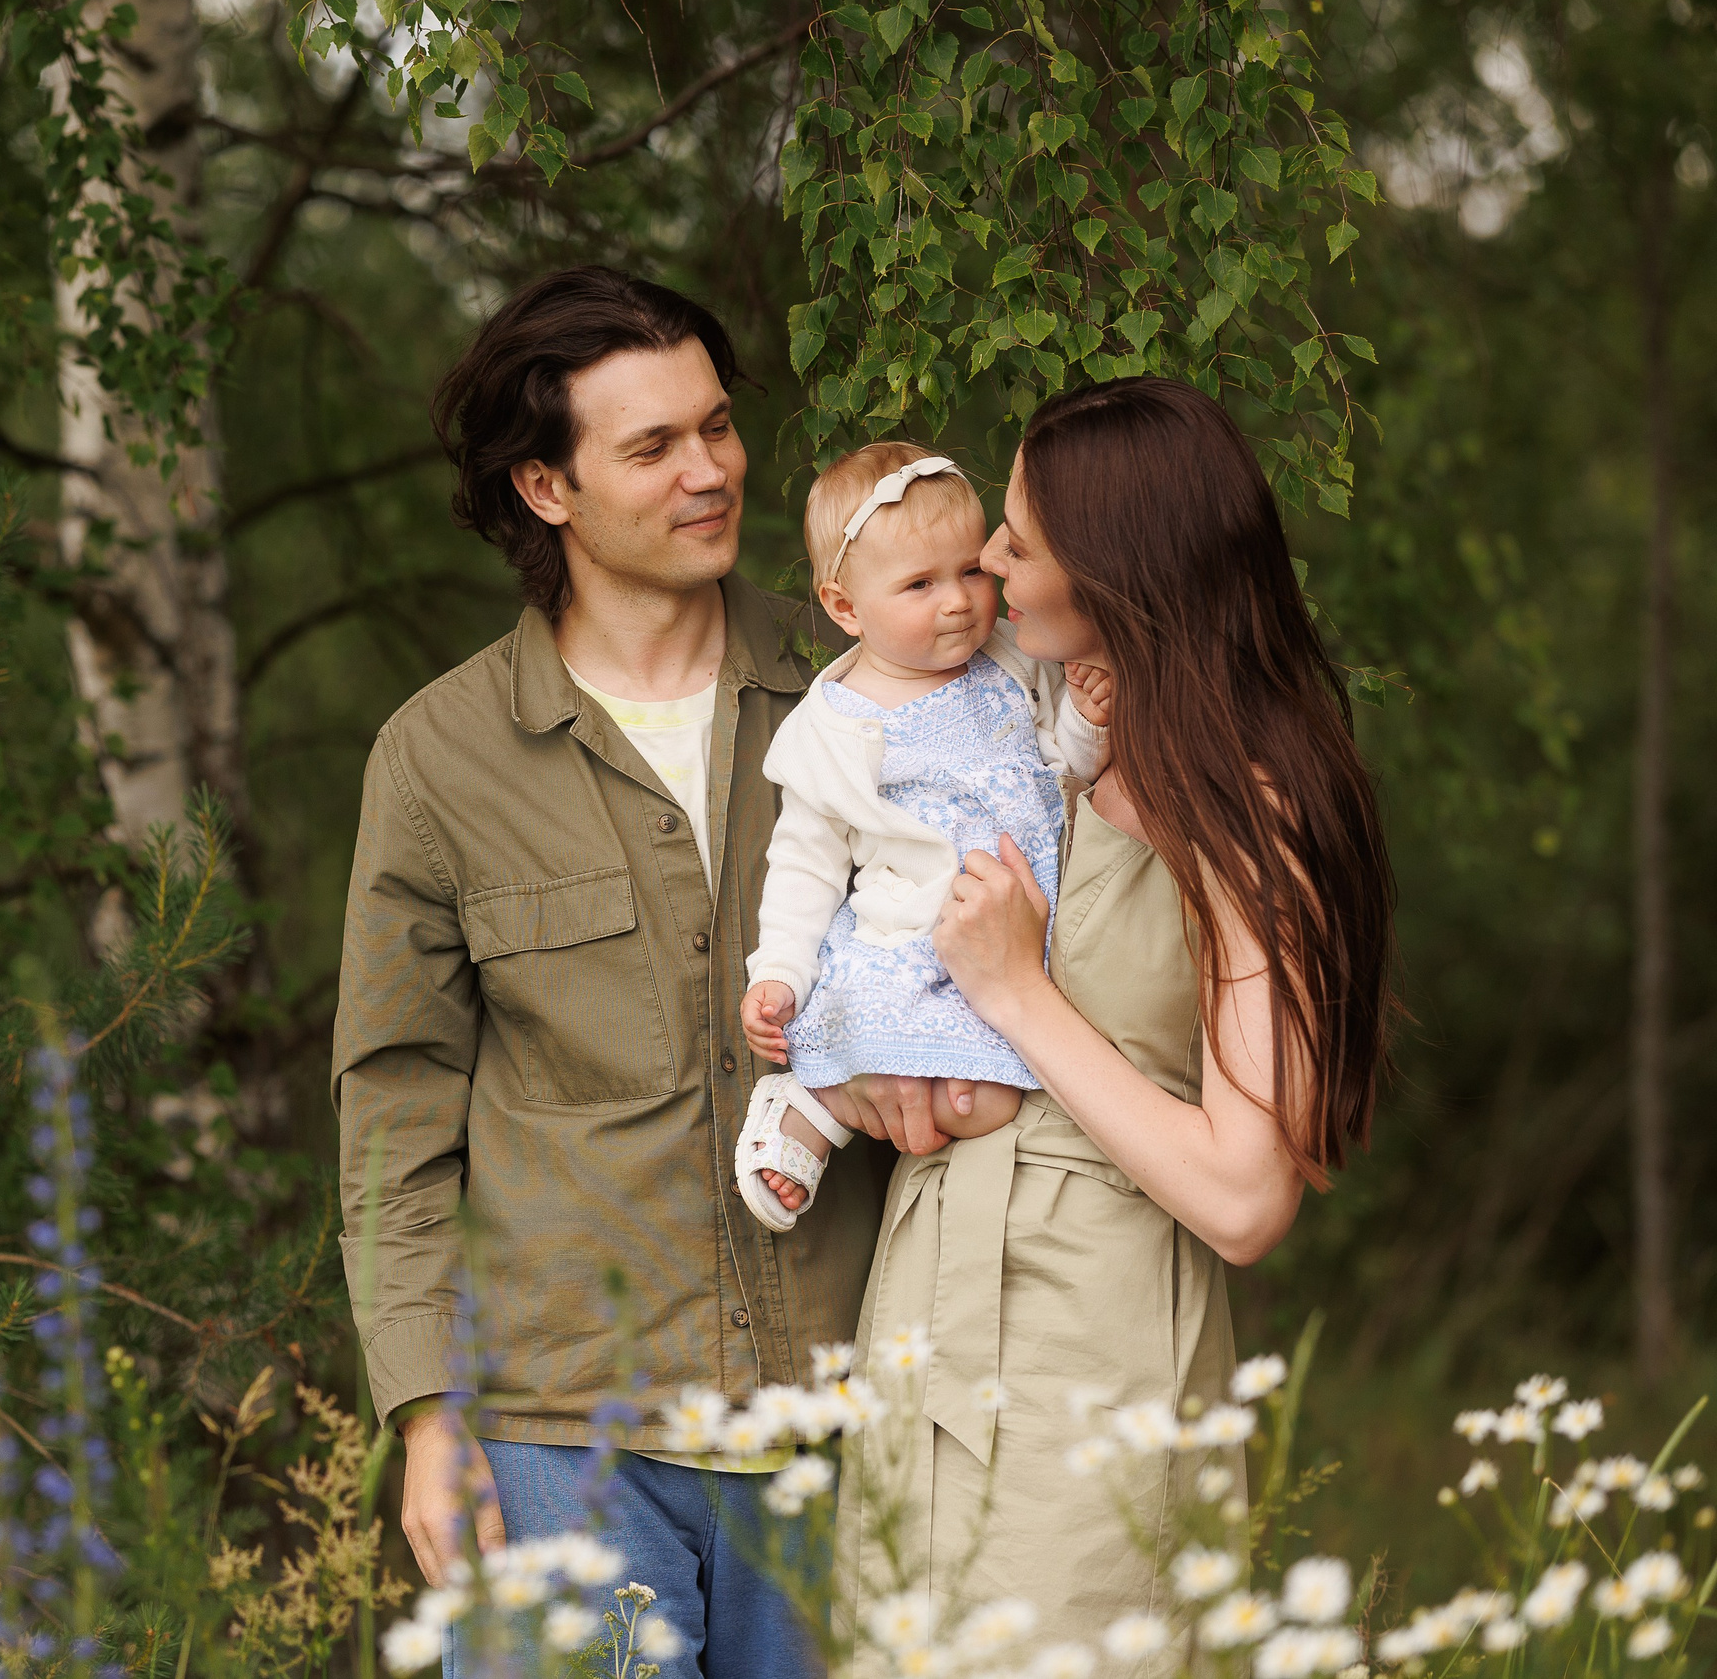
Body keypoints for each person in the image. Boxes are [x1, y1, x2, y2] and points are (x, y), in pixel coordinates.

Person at [333, 266, 880, 1676]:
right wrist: (425, 1417)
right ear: (546, 487)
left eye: (716, 426)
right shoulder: (438, 755)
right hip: (557, 1439)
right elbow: (397, 1107)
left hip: (840, 1406)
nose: (710, 471)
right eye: (653, 447)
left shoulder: (862, 681)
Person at [832, 375, 1396, 1640]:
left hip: (1089, 1373)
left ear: (1116, 569)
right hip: (919, 1340)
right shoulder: (1021, 738)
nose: (983, 560)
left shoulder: (1259, 807)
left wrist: (1018, 997)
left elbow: (1247, 1198)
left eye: (1018, 543)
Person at [728, 443, 1111, 1232]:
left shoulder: (1009, 664)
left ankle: (850, 1094)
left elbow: (1065, 774)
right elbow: (803, 867)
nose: (959, 602)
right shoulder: (834, 729)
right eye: (919, 584)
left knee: (994, 1099)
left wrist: (1089, 717)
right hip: (912, 933)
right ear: (845, 608)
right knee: (977, 1102)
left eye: (971, 570)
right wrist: (780, 973)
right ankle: (814, 1099)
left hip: (1021, 921)